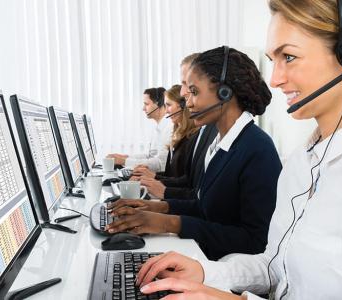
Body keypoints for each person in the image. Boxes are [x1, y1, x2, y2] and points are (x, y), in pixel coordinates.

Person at [134, 0, 342, 299]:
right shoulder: (303, 163)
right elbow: (275, 269)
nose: (275, 79)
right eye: (273, 60)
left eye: (288, 56)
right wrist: (205, 272)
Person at [106, 46, 282, 260]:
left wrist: (169, 223)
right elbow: (206, 208)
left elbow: (256, 242)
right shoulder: (220, 143)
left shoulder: (257, 150)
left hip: (226, 275)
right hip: (201, 258)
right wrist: (153, 207)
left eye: (194, 92)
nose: (187, 102)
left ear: (225, 92)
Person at [132, 53, 218, 200]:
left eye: (190, 87)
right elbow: (189, 182)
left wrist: (161, 187)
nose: (184, 92)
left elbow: (196, 193)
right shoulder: (200, 132)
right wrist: (155, 179)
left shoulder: (202, 134)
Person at [107, 87, 173, 172]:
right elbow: (149, 156)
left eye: (146, 104)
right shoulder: (159, 127)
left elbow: (160, 164)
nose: (143, 108)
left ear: (159, 104)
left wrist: (124, 161)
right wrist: (125, 157)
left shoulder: (168, 128)